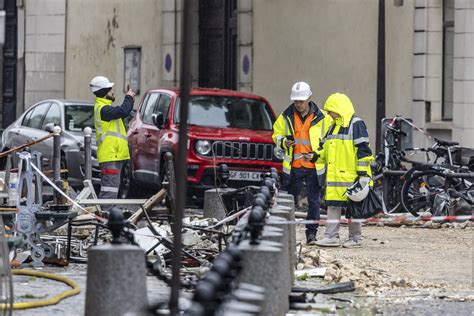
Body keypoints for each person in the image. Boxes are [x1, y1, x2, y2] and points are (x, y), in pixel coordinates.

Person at [272, 81, 332, 245]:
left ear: (309, 98)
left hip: (314, 165)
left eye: (301, 101)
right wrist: (283, 142)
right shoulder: (286, 116)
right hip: (294, 167)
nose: (298, 104)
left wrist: (316, 154)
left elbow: (328, 141)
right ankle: (286, 234)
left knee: (314, 202)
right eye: (296, 101)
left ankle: (311, 235)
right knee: (289, 201)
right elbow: (276, 134)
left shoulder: (323, 118)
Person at [314, 93, 374, 248]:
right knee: (333, 206)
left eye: (330, 110)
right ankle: (331, 236)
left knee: (354, 208)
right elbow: (324, 150)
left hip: (351, 177)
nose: (328, 114)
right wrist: (314, 157)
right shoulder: (332, 127)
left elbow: (364, 152)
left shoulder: (356, 124)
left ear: (339, 109)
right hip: (336, 178)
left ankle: (355, 238)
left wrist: (362, 175)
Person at [90, 76, 135, 211]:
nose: (112, 92)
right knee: (109, 189)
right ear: (104, 92)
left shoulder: (105, 108)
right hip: (110, 156)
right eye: (110, 90)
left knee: (113, 189)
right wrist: (129, 97)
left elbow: (121, 112)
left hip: (114, 156)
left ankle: (109, 216)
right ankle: (105, 218)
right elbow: (122, 111)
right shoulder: (103, 109)